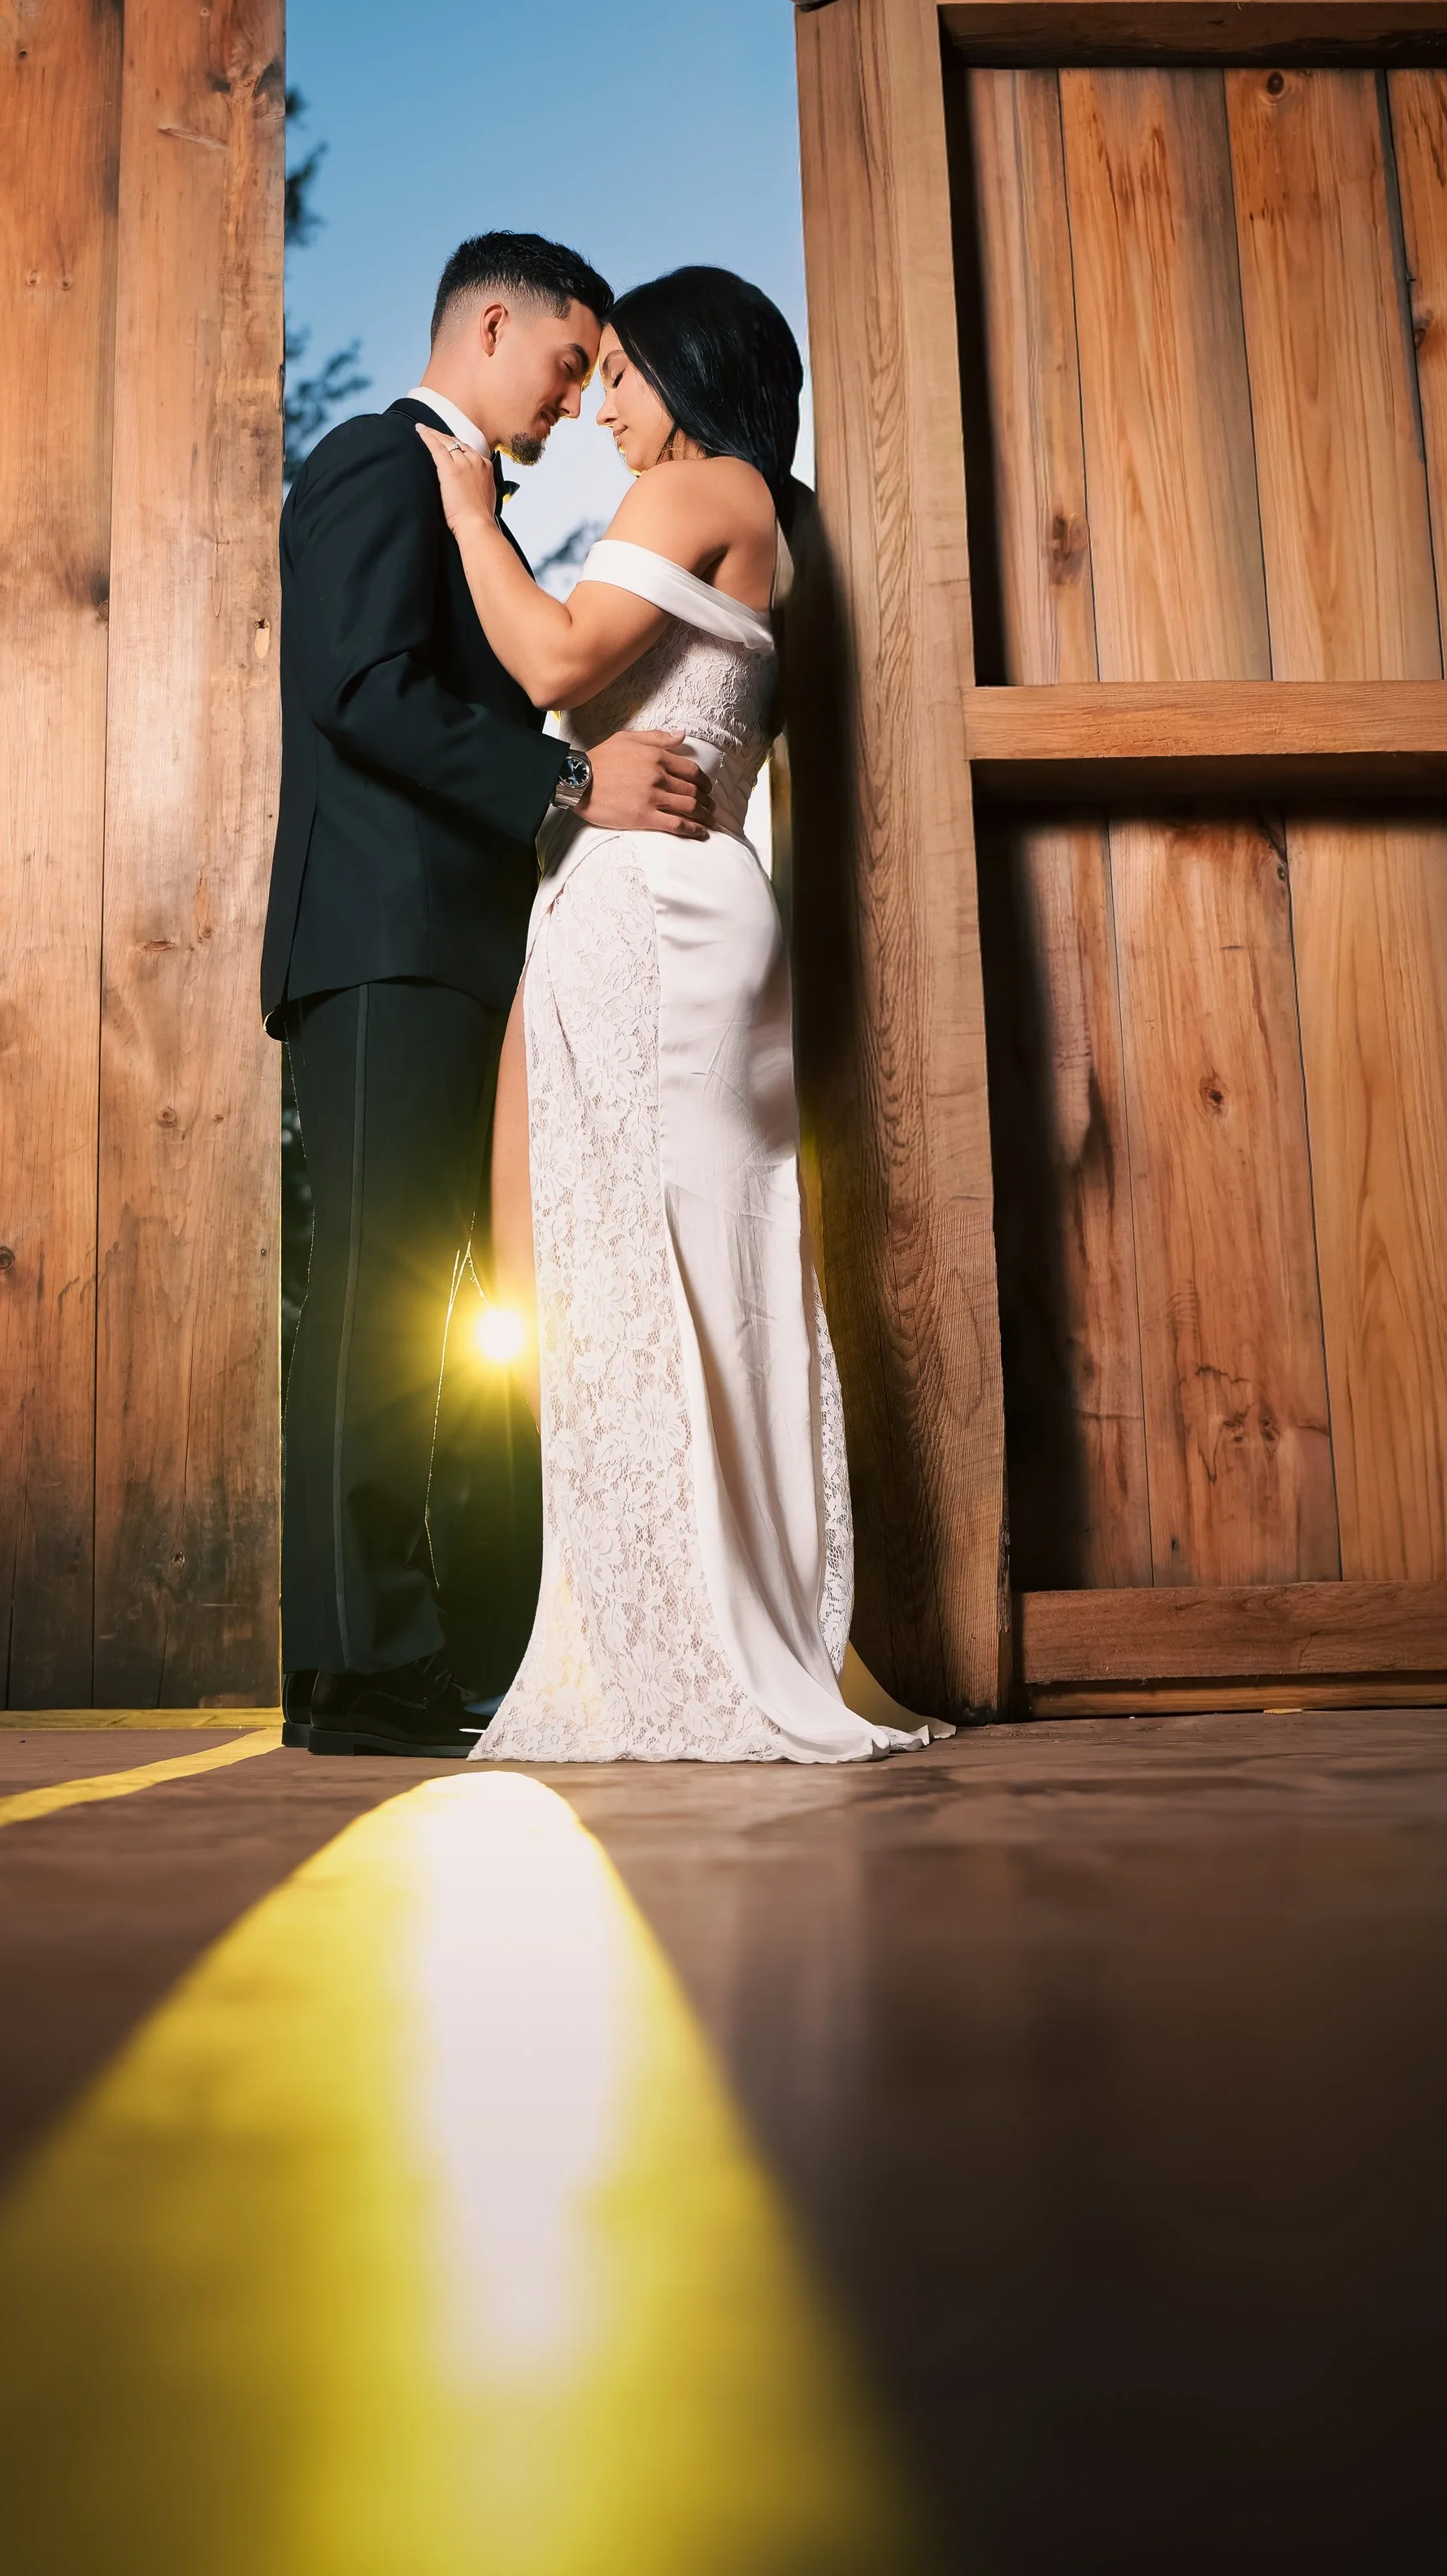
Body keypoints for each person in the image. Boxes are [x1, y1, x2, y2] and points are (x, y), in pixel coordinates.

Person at [416, 266, 949, 1761]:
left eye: (623, 374)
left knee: (647, 1279)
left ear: (692, 377)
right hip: (689, 911)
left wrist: (471, 515)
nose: (599, 406)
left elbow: (553, 659)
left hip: (650, 921)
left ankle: (688, 1638)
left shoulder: (703, 485)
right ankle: (703, 1615)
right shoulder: (781, 520)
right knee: (705, 1269)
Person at [263, 233, 717, 1760]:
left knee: (431, 1307)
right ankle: (360, 1667)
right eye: (569, 364)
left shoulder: (466, 505)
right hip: (382, 945)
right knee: (381, 1301)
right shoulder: (371, 464)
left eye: (597, 376)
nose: (576, 395)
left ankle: (388, 1654)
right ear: (494, 324)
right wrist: (574, 777)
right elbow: (360, 689)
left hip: (456, 957)